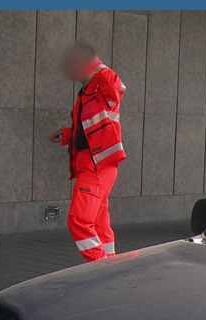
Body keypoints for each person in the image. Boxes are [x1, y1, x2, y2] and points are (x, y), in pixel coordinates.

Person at [49, 43, 126, 261]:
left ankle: (100, 268)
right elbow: (87, 130)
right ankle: (110, 265)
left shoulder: (104, 85)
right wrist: (66, 134)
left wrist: (94, 63)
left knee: (79, 220)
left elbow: (117, 85)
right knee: (99, 224)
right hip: (89, 163)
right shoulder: (84, 94)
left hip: (98, 165)